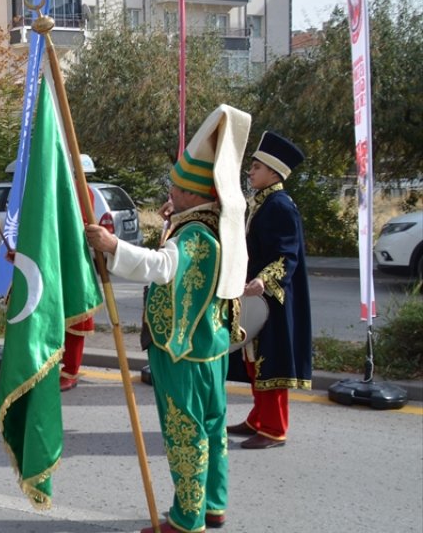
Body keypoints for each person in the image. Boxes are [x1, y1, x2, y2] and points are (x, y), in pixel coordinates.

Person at [84, 105, 251, 533]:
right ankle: (213, 504)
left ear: (195, 195)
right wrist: (174, 217)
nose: (171, 193)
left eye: (176, 189)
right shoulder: (217, 222)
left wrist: (112, 246)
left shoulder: (194, 233)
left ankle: (186, 518)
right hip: (210, 347)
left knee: (184, 433)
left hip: (182, 349)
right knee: (212, 429)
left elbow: (162, 267)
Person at [228, 131, 312, 449]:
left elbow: (286, 254)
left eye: (257, 167)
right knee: (253, 359)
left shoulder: (280, 205)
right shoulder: (263, 202)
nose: (250, 172)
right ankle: (258, 418)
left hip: (272, 297)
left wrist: (264, 279)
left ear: (274, 173)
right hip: (254, 293)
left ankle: (274, 428)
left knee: (269, 363)